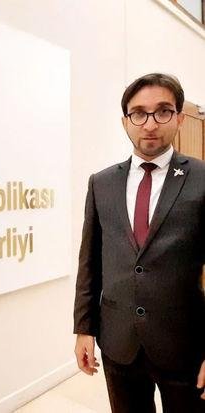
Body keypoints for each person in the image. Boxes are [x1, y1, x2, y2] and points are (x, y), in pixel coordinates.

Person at [73, 73, 205, 412]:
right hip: (118, 343)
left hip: (185, 345)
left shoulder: (201, 178)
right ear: (125, 121)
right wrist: (84, 328)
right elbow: (90, 261)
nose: (150, 124)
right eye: (139, 113)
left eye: (162, 111)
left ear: (178, 118)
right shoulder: (101, 183)